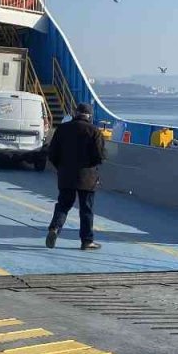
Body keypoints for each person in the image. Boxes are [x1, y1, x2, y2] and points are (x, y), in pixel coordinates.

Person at [45, 103, 104, 250]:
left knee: (63, 205)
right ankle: (86, 241)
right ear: (89, 116)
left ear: (75, 113)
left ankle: (54, 228)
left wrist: (61, 167)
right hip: (87, 177)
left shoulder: (62, 129)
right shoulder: (94, 131)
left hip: (66, 175)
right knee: (86, 209)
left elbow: (52, 154)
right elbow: (99, 156)